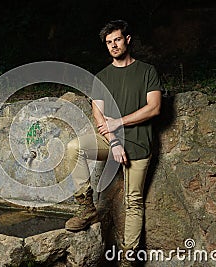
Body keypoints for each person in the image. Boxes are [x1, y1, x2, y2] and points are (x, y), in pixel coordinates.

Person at [65, 20, 162, 265]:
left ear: (127, 40)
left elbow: (154, 108)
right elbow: (99, 115)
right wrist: (114, 142)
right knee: (74, 148)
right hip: (112, 142)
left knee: (134, 201)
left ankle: (128, 259)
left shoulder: (147, 71)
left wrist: (118, 122)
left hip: (140, 143)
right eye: (109, 43)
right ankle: (87, 208)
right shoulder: (102, 77)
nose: (113, 45)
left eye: (117, 40)